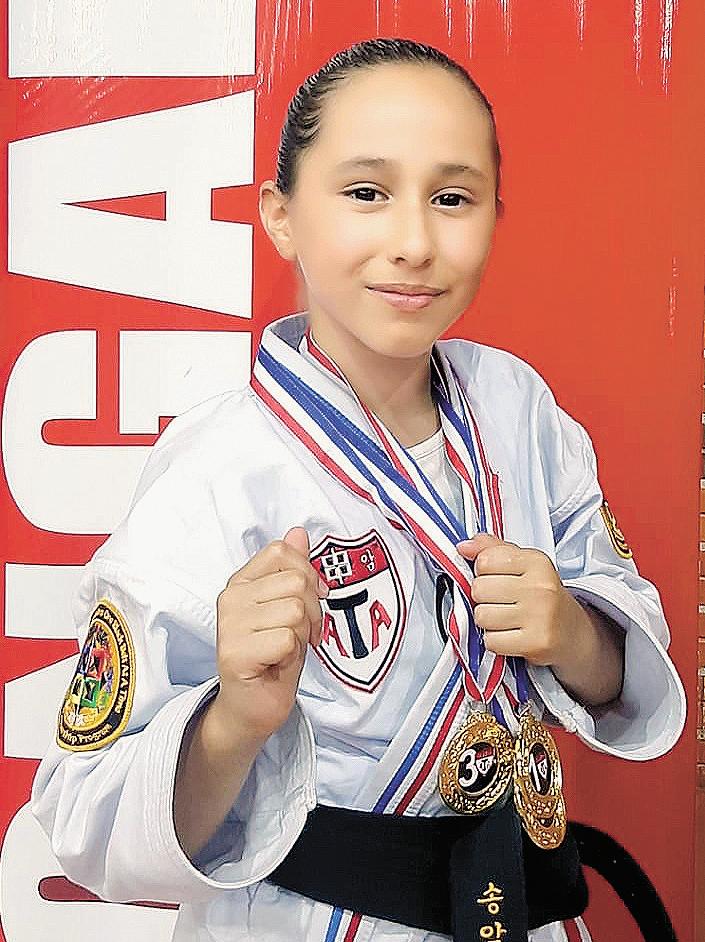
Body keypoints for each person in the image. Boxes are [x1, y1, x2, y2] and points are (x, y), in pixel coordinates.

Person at [32, 37, 685, 942]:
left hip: (514, 905)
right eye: (366, 193)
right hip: (309, 920)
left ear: (496, 215)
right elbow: (85, 813)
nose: (413, 243)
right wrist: (232, 720)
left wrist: (573, 631)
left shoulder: (518, 409)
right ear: (282, 216)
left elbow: (625, 668)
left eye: (451, 198)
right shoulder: (217, 466)